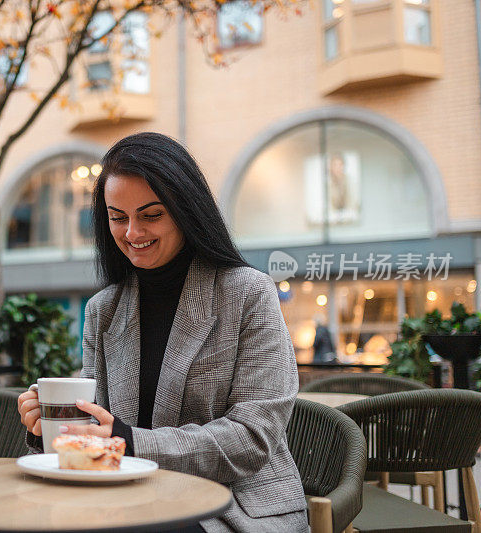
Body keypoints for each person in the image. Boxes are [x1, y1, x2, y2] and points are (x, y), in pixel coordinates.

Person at [17, 132, 307, 532]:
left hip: (232, 507)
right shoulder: (104, 310)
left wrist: (130, 442)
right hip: (124, 500)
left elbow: (252, 437)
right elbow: (96, 425)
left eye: (151, 215)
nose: (133, 233)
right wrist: (51, 425)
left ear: (186, 210)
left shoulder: (247, 293)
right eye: (118, 217)